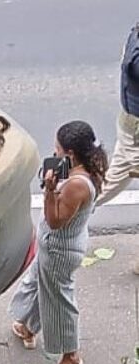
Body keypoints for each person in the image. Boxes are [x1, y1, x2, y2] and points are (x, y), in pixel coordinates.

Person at [8, 121, 108, 364]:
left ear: (71, 154)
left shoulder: (76, 184)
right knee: (38, 284)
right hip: (54, 246)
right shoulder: (88, 166)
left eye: (58, 149)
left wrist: (50, 190)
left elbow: (55, 221)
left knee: (58, 302)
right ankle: (27, 327)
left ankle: (71, 357)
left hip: (61, 250)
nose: (55, 154)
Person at [95, 23, 139, 274]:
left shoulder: (134, 35)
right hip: (136, 132)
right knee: (112, 181)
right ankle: (64, 211)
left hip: (130, 123)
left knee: (112, 180)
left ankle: (66, 210)